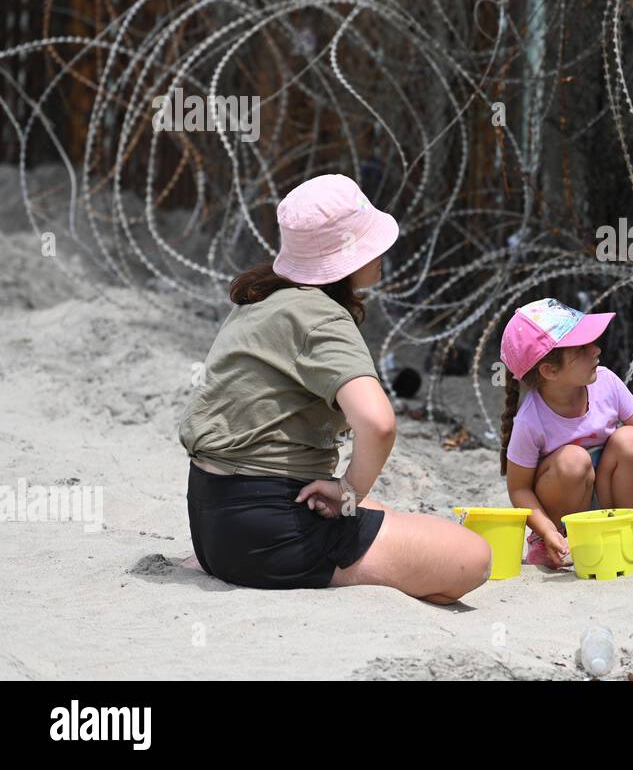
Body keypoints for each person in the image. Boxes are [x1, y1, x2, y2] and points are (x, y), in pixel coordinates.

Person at [180, 173, 491, 603]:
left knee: (382, 515)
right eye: (369, 241)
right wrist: (349, 490)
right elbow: (379, 424)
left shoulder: (261, 300)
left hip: (212, 523)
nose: (382, 250)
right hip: (269, 534)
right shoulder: (321, 317)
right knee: (471, 557)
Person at [498, 297, 633, 568]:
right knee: (572, 460)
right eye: (581, 348)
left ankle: (629, 532)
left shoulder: (606, 383)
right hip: (563, 507)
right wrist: (546, 530)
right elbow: (519, 490)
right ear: (550, 370)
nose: (596, 350)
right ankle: (553, 543)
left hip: (606, 494)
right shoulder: (531, 420)